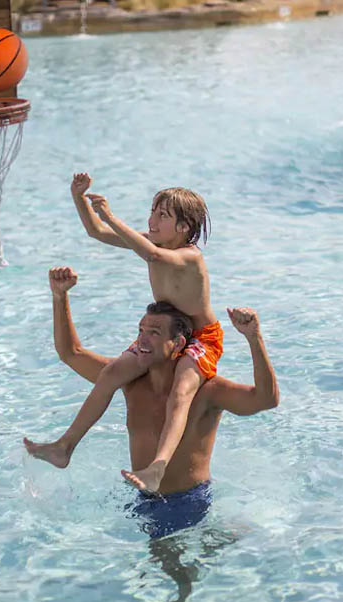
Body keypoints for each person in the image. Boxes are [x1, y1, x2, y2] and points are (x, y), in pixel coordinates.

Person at [25, 267, 279, 539]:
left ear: (178, 343)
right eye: (141, 330)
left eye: (155, 332)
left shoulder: (207, 392)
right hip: (142, 494)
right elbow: (70, 353)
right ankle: (220, 537)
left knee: (172, 569)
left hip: (186, 500)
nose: (142, 339)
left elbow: (266, 400)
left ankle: (225, 536)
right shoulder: (130, 382)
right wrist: (59, 296)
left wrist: (254, 339)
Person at [24, 175, 221, 494]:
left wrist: (112, 216)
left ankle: (157, 467)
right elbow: (96, 232)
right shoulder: (154, 243)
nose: (152, 220)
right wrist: (79, 198)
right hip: (163, 333)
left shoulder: (189, 255)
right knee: (113, 372)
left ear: (184, 228)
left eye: (162, 216)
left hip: (199, 338)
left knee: (182, 389)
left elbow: (153, 256)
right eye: (152, 212)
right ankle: (64, 448)